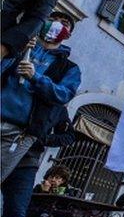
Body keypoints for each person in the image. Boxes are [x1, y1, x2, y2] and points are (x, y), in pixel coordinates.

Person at [1, 12, 81, 182]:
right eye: (52, 20)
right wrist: (16, 50)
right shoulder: (20, 47)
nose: (56, 24)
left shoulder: (69, 68)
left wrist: (36, 77)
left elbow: (63, 94)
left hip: (20, 132)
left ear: (68, 34)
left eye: (64, 23)